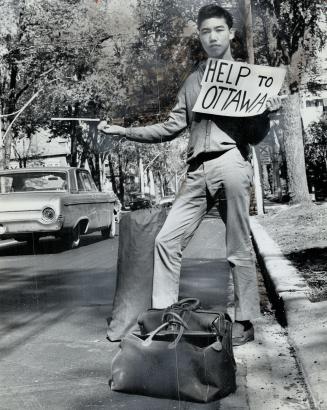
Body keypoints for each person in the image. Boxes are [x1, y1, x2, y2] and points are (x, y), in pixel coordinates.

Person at [98, 4, 282, 346]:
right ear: (200, 37)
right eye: (205, 32)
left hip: (231, 161)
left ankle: (244, 319)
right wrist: (124, 131)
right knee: (166, 241)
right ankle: (167, 317)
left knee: (237, 247)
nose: (212, 37)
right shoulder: (194, 80)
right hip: (197, 169)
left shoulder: (251, 78)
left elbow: (256, 135)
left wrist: (266, 112)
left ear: (231, 34)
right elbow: (171, 127)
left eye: (218, 30)